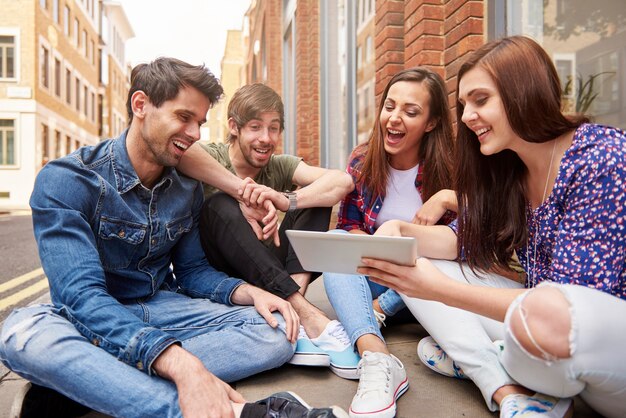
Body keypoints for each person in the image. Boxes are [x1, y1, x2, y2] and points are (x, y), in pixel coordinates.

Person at [0, 57, 348, 418]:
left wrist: (252, 293)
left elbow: (194, 271)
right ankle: (246, 413)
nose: (196, 134)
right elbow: (81, 298)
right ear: (140, 105)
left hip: (160, 307)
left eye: (199, 122)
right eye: (184, 118)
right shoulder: (68, 180)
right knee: (22, 335)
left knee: (276, 332)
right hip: (84, 314)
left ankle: (85, 384)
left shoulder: (187, 187)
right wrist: (181, 364)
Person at [359, 36, 626, 418]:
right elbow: (459, 242)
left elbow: (570, 311)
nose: (467, 117)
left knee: (546, 312)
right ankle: (506, 388)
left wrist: (440, 292)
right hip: (547, 344)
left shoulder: (601, 157)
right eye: (465, 105)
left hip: (607, 354)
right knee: (413, 265)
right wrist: (402, 231)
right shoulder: (510, 171)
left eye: (480, 101)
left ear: (523, 92)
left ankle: (481, 356)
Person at [177, 83, 360, 377]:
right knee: (219, 205)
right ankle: (306, 314)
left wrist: (284, 200)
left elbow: (342, 182)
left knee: (314, 199)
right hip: (228, 267)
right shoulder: (214, 155)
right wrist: (241, 194)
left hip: (273, 267)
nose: (266, 139)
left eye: (274, 128)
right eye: (255, 127)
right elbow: (182, 154)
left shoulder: (280, 166)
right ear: (234, 127)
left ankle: (293, 312)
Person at [322, 67, 456, 418]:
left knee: (441, 261)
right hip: (374, 271)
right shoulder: (362, 160)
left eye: (410, 112)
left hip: (423, 284)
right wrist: (374, 249)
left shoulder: (452, 168)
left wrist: (444, 197)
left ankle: (376, 314)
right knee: (337, 243)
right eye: (389, 107)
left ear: (430, 122)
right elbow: (349, 224)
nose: (394, 119)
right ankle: (376, 355)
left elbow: (464, 245)